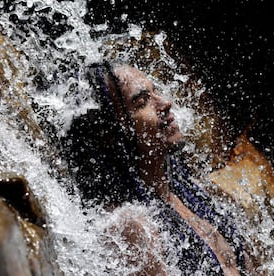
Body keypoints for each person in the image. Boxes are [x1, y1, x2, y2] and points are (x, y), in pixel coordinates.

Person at [63, 62, 254, 275]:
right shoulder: (131, 227)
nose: (165, 103)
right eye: (142, 101)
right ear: (110, 134)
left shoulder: (188, 192)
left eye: (156, 92)